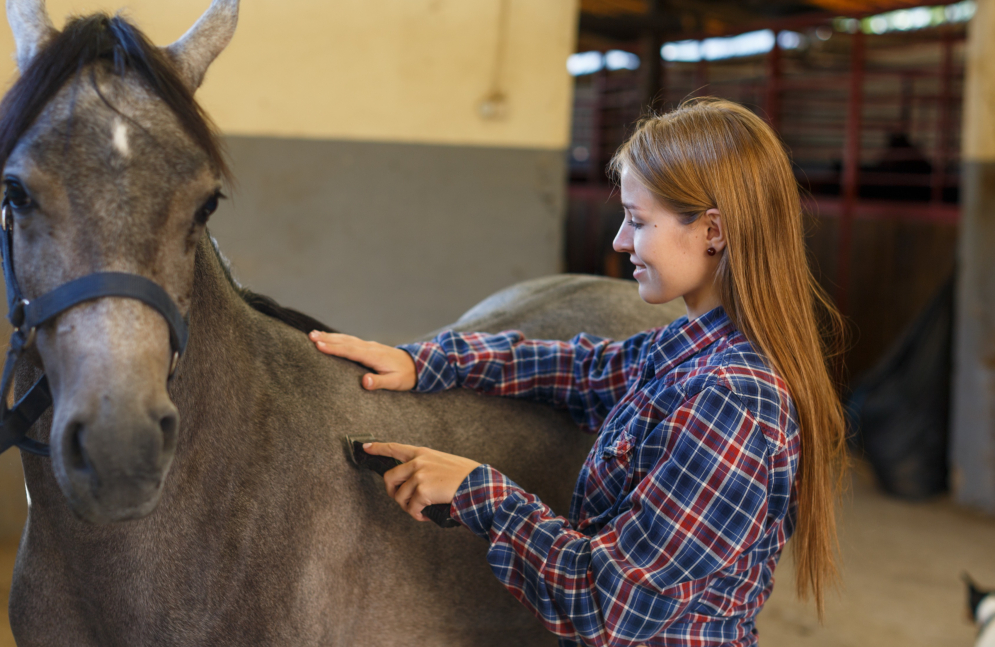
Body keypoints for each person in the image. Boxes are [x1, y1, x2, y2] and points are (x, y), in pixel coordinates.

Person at [309, 98, 846, 646]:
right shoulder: (689, 352)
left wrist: (480, 491)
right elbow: (584, 369)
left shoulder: (732, 402)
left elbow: (608, 605)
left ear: (713, 231)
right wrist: (429, 361)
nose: (619, 241)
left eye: (638, 221)